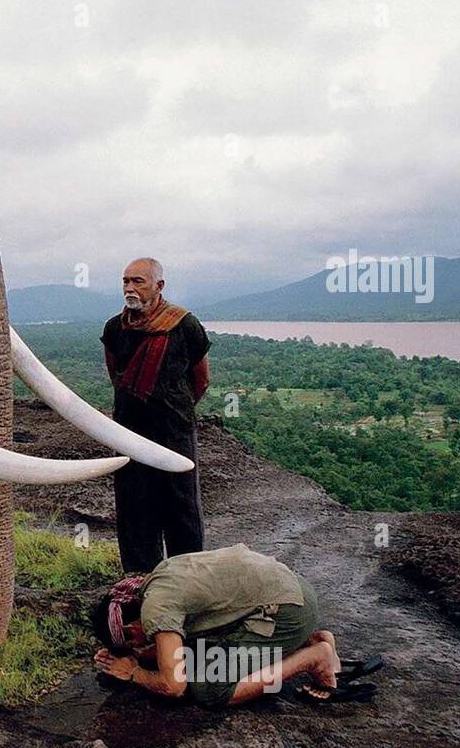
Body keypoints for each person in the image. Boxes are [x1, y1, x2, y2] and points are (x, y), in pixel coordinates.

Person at [90, 544, 381, 707]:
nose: (144, 644)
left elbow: (173, 685)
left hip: (287, 613)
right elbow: (179, 646)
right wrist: (138, 656)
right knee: (201, 652)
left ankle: (314, 657)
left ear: (130, 627)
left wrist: (133, 672)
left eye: (136, 642)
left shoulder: (157, 609)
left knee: (210, 688)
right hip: (294, 590)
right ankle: (309, 639)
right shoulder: (156, 581)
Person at [100, 258, 210, 572]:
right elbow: (116, 376)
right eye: (125, 281)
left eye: (138, 281)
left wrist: (175, 408)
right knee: (134, 504)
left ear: (158, 286)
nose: (130, 288)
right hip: (129, 429)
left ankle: (186, 577)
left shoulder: (184, 324)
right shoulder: (115, 328)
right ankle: (139, 578)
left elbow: (200, 379)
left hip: (174, 430)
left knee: (181, 503)